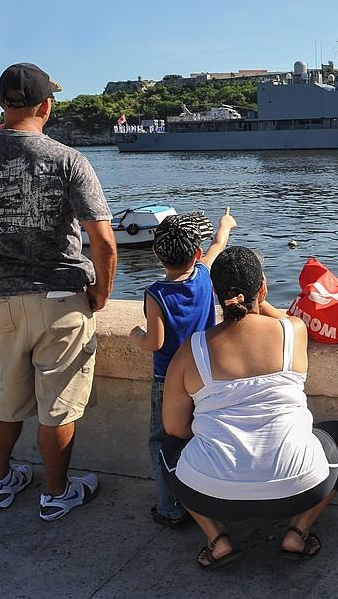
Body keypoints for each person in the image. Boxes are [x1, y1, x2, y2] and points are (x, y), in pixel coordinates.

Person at [0, 63, 117, 521]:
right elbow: (104, 242)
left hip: (5, 301)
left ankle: (0, 482)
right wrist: (101, 294)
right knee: (59, 405)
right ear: (46, 106)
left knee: (7, 399)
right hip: (61, 297)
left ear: (1, 104)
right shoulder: (68, 159)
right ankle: (56, 493)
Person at [160, 247, 338, 569]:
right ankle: (298, 532)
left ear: (215, 293)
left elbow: (174, 427)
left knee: (168, 448)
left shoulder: (190, 350)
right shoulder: (292, 331)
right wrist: (259, 298)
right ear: (262, 289)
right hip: (299, 490)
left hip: (212, 494)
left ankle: (217, 539)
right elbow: (280, 317)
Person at [129, 209, 236, 528]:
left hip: (169, 378)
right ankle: (209, 498)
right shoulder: (205, 274)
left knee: (162, 441)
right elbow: (219, 243)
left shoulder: (157, 293)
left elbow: (155, 342)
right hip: (204, 373)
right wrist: (225, 224)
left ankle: (170, 508)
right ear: (197, 253)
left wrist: (136, 335)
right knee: (201, 435)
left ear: (156, 254)